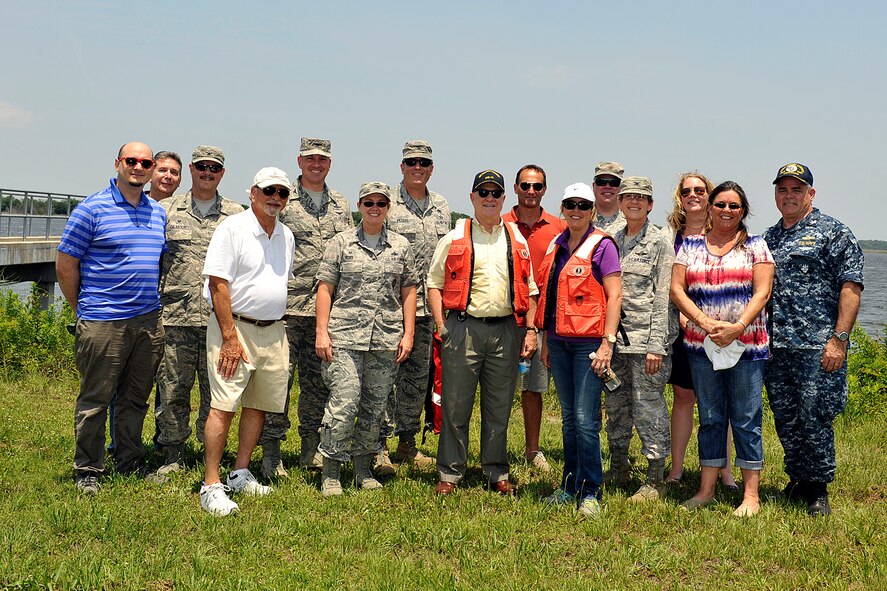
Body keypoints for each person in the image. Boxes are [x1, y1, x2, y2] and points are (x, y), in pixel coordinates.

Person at [56, 142, 167, 494]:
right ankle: (88, 468)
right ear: (118, 163)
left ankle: (129, 459)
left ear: (151, 169)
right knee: (96, 399)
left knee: (135, 398)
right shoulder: (91, 209)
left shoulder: (157, 212)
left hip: (148, 321)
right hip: (103, 320)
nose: (138, 167)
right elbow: (65, 264)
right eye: (131, 160)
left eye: (145, 162)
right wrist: (83, 308)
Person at [427, 169, 538, 496]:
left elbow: (531, 289)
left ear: (504, 198)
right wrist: (442, 326)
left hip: (505, 330)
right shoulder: (454, 237)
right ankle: (450, 473)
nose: (490, 199)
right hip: (464, 328)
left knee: (499, 406)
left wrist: (531, 329)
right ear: (472, 197)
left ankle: (496, 471)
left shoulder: (516, 239)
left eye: (495, 193)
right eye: (483, 193)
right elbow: (434, 283)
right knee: (455, 405)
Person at [763, 163, 864, 516]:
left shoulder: (834, 233)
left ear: (811, 193)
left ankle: (818, 489)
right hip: (777, 346)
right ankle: (797, 480)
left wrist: (839, 339)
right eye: (783, 189)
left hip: (817, 346)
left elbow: (851, 287)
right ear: (776, 194)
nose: (789, 196)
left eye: (797, 189)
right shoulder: (769, 238)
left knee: (815, 416)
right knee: (786, 417)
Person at [670, 181, 774, 517]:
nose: (726, 211)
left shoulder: (756, 246)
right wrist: (703, 321)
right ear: (710, 208)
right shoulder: (690, 247)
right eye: (720, 204)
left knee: (746, 419)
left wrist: (737, 327)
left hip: (746, 346)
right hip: (702, 347)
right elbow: (677, 290)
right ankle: (706, 490)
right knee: (711, 418)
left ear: (743, 211)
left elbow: (762, 292)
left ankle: (751, 496)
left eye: (734, 206)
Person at [199, 167, 295, 516]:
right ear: (253, 193)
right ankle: (211, 485)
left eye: (282, 193)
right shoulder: (232, 228)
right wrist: (229, 337)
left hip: (274, 331)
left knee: (258, 405)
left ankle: (239, 472)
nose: (275, 198)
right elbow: (218, 284)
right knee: (223, 406)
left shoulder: (286, 234)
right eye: (269, 190)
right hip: (235, 328)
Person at [314, 183, 418, 496]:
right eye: (369, 203)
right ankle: (331, 471)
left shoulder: (400, 245)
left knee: (375, 408)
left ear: (388, 208)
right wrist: (321, 332)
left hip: (385, 338)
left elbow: (409, 289)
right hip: (344, 338)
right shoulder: (341, 242)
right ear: (359, 206)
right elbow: (325, 288)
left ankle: (362, 468)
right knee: (345, 403)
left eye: (381, 203)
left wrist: (408, 333)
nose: (375, 208)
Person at [261, 138, 353, 478]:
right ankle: (271, 452)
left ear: (330, 163)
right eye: (310, 158)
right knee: (278, 380)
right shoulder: (283, 198)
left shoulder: (341, 204)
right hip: (286, 307)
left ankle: (310, 448)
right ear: (299, 161)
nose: (316, 164)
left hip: (326, 310)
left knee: (317, 384)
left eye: (322, 159)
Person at [153, 146, 244, 477]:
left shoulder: (236, 215)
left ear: (222, 173)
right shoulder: (165, 210)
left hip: (219, 321)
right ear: (192, 169)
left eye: (214, 168)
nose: (208, 172)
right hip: (174, 317)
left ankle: (210, 454)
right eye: (202, 166)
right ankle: (172, 453)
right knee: (172, 390)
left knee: (215, 394)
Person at [536, 182, 623, 517]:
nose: (576, 210)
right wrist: (546, 340)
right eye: (570, 204)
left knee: (586, 421)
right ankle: (569, 486)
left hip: (589, 344)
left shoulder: (603, 246)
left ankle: (591, 492)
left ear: (592, 210)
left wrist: (607, 343)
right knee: (570, 419)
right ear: (562, 208)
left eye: (583, 205)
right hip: (559, 343)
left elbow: (614, 295)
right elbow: (550, 298)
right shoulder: (556, 245)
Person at [379, 140, 451, 473]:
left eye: (423, 162)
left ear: (432, 168)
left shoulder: (442, 206)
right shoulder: (386, 202)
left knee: (416, 380)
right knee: (384, 379)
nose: (417, 168)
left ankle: (406, 443)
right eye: (411, 162)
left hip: (427, 311)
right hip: (390, 308)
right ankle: (378, 446)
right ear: (402, 167)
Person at [663, 173, 738, 489]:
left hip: (719, 330)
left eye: (699, 190)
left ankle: (725, 471)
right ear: (679, 198)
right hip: (679, 330)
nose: (693, 195)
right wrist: (684, 315)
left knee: (722, 401)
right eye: (686, 191)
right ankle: (676, 470)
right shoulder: (668, 236)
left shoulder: (723, 230)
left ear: (709, 195)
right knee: (683, 397)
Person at [607, 177, 676, 502]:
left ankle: (655, 478)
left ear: (650, 205)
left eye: (641, 197)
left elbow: (663, 297)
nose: (634, 202)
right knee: (616, 406)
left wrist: (656, 345)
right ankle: (618, 465)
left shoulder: (660, 242)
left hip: (646, 343)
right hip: (615, 342)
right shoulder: (611, 239)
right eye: (629, 196)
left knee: (648, 409)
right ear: (620, 203)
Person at [501, 164, 565, 473]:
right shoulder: (499, 223)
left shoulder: (559, 228)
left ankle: (532, 450)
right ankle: (495, 448)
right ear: (515, 188)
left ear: (544, 190)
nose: (530, 191)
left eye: (536, 186)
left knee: (533, 389)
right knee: (497, 388)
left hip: (539, 322)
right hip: (502, 319)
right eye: (525, 185)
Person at [592, 162, 626, 235]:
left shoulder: (631, 221)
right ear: (593, 186)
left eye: (614, 182)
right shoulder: (581, 218)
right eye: (601, 182)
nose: (607, 186)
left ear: (622, 188)